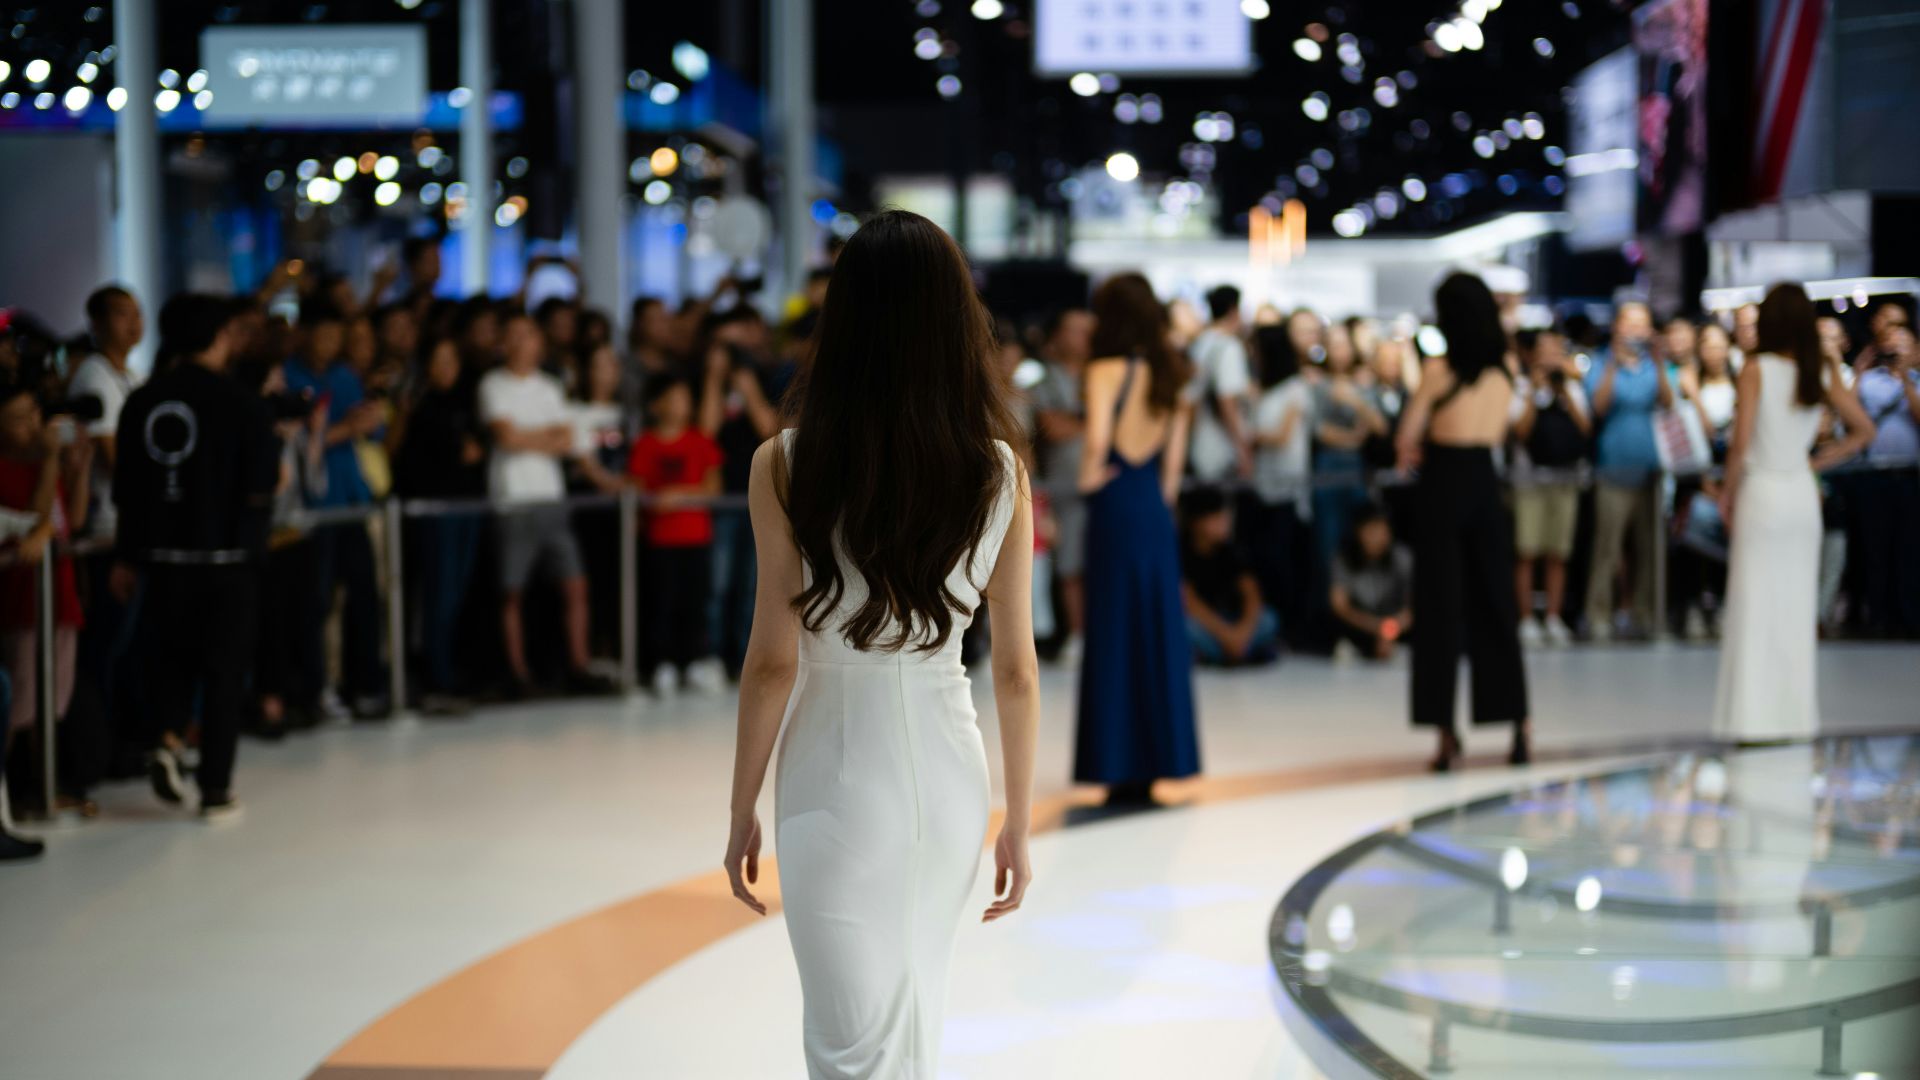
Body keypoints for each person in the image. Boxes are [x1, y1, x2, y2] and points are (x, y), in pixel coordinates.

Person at [720, 210, 1037, 1078]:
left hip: (834, 770)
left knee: (848, 1044)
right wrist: (1018, 821)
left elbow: (772, 662)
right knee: (912, 1020)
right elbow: (1015, 670)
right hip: (949, 773)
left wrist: (741, 806)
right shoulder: (999, 469)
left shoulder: (784, 463)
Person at [115, 294, 280, 820]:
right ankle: (215, 788)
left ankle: (167, 739)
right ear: (221, 335)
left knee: (172, 659)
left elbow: (128, 488)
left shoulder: (143, 401)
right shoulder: (243, 404)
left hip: (162, 558)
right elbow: (262, 486)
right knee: (224, 672)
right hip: (228, 559)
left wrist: (127, 556)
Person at [1713, 284, 1876, 744]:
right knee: (1795, 608)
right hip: (1800, 493)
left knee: (1754, 606)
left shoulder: (1756, 368)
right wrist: (1816, 461)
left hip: (1762, 491)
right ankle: (1793, 718)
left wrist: (1726, 495)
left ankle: (1751, 719)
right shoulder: (1818, 368)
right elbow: (1864, 430)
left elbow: (1740, 444)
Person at [1073, 272, 1200, 805]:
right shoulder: (1173, 374)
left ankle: (1116, 764)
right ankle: (1158, 760)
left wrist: (1086, 478)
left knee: (1113, 631)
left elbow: (1098, 439)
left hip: (1116, 502)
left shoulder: (1103, 370)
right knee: (1156, 630)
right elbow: (1173, 475)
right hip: (1152, 508)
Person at [1396, 272, 1530, 771]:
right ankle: (1518, 725)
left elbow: (1407, 435)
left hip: (1443, 483)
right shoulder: (1506, 368)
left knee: (1439, 612)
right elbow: (1512, 426)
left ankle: (1445, 736)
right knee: (1496, 604)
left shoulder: (1438, 370)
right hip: (1485, 483)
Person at [477, 313, 614, 697]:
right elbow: (505, 438)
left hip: (552, 498)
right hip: (513, 498)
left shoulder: (550, 388)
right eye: (515, 334)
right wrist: (543, 437)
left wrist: (525, 435)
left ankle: (579, 665)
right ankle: (518, 673)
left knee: (574, 585)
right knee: (512, 590)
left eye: (529, 335)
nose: (524, 342)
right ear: (504, 342)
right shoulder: (493, 385)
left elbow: (566, 440)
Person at [282, 299, 389, 719]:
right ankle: (315, 689)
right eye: (322, 334)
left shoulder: (345, 376)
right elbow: (295, 444)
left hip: (352, 501)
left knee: (365, 598)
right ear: (305, 333)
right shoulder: (289, 377)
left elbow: (373, 432)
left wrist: (370, 419)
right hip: (315, 507)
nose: (329, 343)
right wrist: (345, 429)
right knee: (316, 603)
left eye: (335, 336)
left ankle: (366, 685)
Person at [0, 384, 89, 814]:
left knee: (53, 700)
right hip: (18, 599)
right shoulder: (10, 467)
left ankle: (45, 789)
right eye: (19, 419)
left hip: (58, 593)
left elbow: (70, 520)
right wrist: (52, 461)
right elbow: (34, 521)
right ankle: (12, 796)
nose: (34, 426)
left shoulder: (45, 461)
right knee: (18, 702)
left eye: (34, 413)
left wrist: (79, 466)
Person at [392, 338, 487, 713]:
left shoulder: (466, 403)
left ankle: (452, 671)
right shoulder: (418, 406)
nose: (447, 367)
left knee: (458, 591)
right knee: (439, 595)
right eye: (439, 359)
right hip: (435, 509)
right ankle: (436, 675)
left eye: (452, 359)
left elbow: (478, 448)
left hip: (467, 506)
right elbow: (414, 460)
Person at [626, 375, 724, 693]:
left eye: (685, 398)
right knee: (661, 602)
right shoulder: (646, 443)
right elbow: (636, 488)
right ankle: (662, 663)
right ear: (657, 405)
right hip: (660, 539)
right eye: (675, 397)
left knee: (695, 601)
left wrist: (678, 495)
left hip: (696, 537)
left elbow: (713, 486)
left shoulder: (699, 440)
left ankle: (694, 661)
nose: (682, 404)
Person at [1583, 300, 1673, 641]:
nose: (1636, 330)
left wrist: (1660, 362)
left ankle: (1646, 612)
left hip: (1651, 471)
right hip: (1613, 469)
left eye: (1642, 323)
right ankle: (1599, 614)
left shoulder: (1653, 365)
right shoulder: (1601, 362)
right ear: (1617, 327)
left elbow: (1668, 403)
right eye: (1630, 323)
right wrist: (1613, 363)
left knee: (1649, 549)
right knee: (1607, 548)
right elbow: (1598, 406)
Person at [1509, 328, 1590, 646]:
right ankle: (1526, 618)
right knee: (1527, 550)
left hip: (1565, 478)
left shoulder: (1572, 386)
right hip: (1530, 480)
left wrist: (1564, 390)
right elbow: (1520, 431)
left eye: (1556, 349)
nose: (1550, 356)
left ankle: (1554, 617)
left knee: (1559, 552)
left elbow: (1585, 428)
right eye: (1544, 350)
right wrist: (1534, 390)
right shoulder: (1521, 386)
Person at [1028, 307, 1095, 663]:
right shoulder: (1045, 381)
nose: (1084, 336)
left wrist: (1079, 423)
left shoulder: (1100, 373)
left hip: (1101, 484)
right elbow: (1052, 427)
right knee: (1069, 564)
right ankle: (1077, 635)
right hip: (1062, 485)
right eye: (1075, 329)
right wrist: (1097, 424)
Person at [1850, 323, 1920, 636]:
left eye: (1903, 341)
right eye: (1890, 341)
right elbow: (1848, 416)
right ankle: (1876, 618)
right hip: (1873, 473)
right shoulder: (1868, 381)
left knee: (1909, 548)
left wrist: (1906, 378)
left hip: (1909, 474)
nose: (1896, 347)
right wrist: (1859, 372)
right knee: (1874, 548)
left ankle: (1908, 617)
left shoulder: (1916, 381)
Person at [1247, 323, 1313, 643]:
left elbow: (1282, 435)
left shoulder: (1294, 389)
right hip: (1263, 486)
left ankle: (1289, 627)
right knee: (1265, 560)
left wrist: (1248, 436)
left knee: (1282, 561)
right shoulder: (1264, 389)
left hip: (1287, 487)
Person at [68, 285, 145, 538]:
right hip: (108, 520)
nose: (134, 322)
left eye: (137, 313)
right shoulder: (94, 375)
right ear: (97, 324)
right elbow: (109, 454)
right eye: (122, 313)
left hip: (126, 516)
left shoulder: (133, 376)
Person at [1309, 320, 1388, 569]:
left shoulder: (1362, 386)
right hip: (1328, 466)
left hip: (1356, 466)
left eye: (1344, 345)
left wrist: (1354, 401)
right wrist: (1353, 438)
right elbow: (1319, 430)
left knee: (1361, 533)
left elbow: (1379, 426)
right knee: (1328, 536)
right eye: (1334, 345)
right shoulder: (1318, 385)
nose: (1340, 351)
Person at [1178, 487, 1278, 666]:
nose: (1224, 523)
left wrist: (1241, 633)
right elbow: (1189, 603)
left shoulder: (1231, 550)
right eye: (1217, 518)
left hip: (1232, 621)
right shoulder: (1181, 553)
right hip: (1207, 624)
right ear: (1198, 522)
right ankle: (1239, 653)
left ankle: (1225, 653)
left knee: (1268, 619)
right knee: (1183, 627)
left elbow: (1252, 594)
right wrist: (1227, 636)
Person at [1185, 285, 1253, 486]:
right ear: (1233, 311)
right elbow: (1227, 400)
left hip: (1197, 443)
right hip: (1221, 450)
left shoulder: (1200, 342)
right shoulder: (1229, 346)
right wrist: (1242, 448)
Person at [1328, 504, 1414, 661]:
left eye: (1382, 530)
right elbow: (1340, 606)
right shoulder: (1344, 559)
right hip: (1363, 623)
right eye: (1372, 530)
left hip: (1396, 621)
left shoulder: (1401, 557)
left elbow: (1413, 605)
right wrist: (1378, 628)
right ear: (1358, 531)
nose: (1377, 537)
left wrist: (1390, 630)